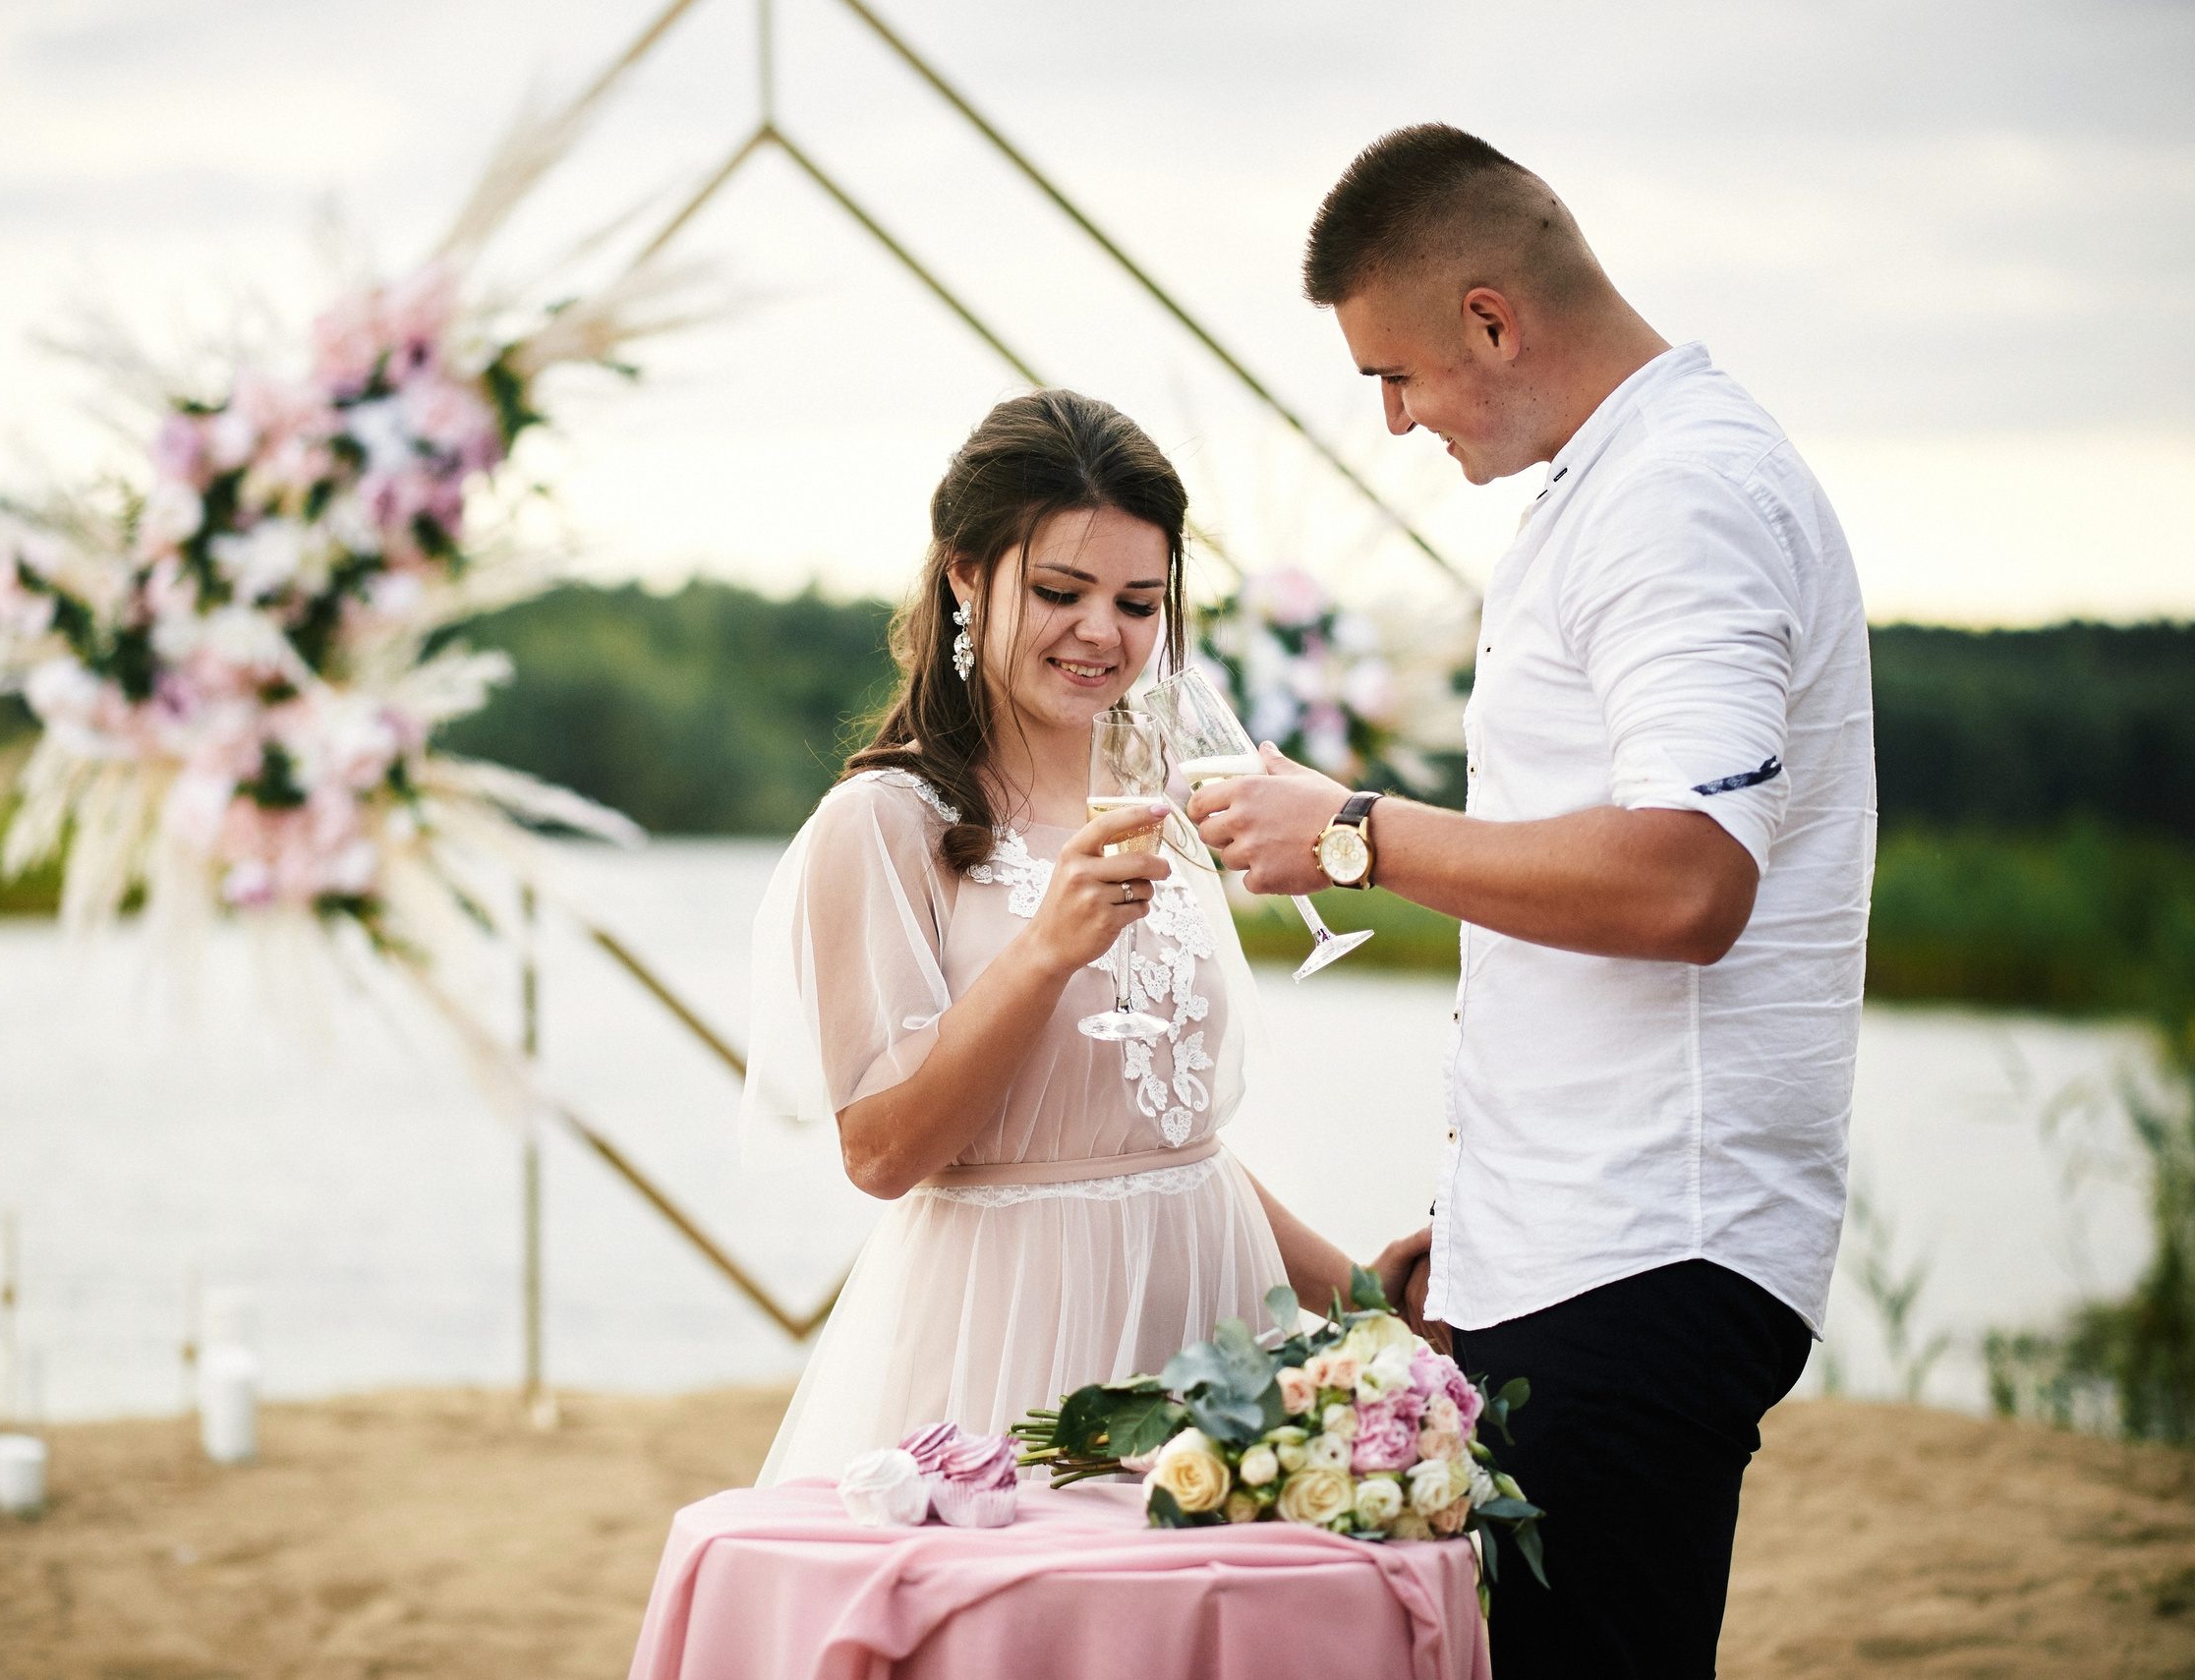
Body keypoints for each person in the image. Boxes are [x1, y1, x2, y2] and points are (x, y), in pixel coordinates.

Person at [1192, 126, 1875, 1676]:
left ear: (1492, 319)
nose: (1393, 419)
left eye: (1396, 374)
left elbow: (1688, 877)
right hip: (1587, 1241)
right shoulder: (1626, 483)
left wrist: (1353, 833)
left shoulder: (1682, 496)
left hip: (1649, 1256)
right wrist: (1492, 1228)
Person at [742, 388, 1355, 1484]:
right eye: (1060, 591)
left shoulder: (1160, 806)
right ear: (966, 575)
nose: (1102, 632)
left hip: (1211, 1329)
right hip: (1012, 1333)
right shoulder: (884, 824)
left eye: (1137, 600)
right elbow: (880, 1153)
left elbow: (1162, 1144)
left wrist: (1359, 1295)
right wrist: (1042, 952)